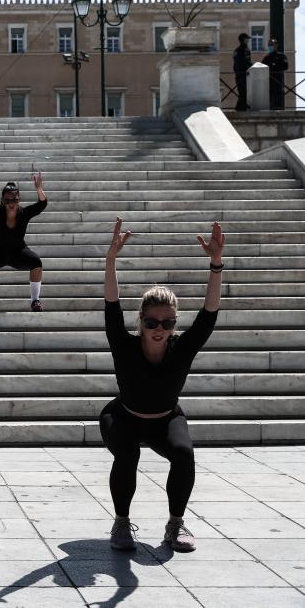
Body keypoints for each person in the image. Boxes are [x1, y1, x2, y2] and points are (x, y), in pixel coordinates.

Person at [101, 218, 225, 553]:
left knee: (184, 453)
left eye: (168, 323)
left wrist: (216, 264)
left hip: (166, 418)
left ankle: (175, 524)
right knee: (127, 453)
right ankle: (122, 523)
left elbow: (209, 314)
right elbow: (111, 306)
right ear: (141, 320)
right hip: (123, 416)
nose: (160, 328)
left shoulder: (181, 347)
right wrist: (111, 259)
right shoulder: (124, 344)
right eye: (153, 322)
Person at [0, 171, 47, 312]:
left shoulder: (24, 213)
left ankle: (35, 301)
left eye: (14, 200)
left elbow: (42, 204)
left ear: (19, 199)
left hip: (18, 252)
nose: (11, 204)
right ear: (2, 201)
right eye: (7, 200)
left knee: (36, 262)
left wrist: (39, 189)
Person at [262, 38, 289, 110]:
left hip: (278, 81)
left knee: (279, 98)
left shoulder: (281, 56)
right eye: (269, 45)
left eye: (271, 45)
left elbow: (285, 67)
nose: (270, 46)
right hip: (269, 82)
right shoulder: (266, 58)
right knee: (270, 98)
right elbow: (262, 68)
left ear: (276, 46)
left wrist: (275, 66)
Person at [232, 33, 252, 111]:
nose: (248, 40)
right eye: (247, 39)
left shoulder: (236, 50)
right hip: (244, 74)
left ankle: (241, 107)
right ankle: (240, 108)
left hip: (238, 74)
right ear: (244, 40)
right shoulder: (245, 50)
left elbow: (235, 63)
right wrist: (252, 67)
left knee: (242, 92)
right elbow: (247, 62)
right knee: (244, 92)